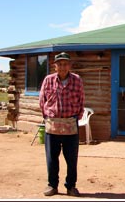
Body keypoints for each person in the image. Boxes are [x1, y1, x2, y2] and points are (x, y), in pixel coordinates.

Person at [39, 52, 84, 196]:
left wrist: (76, 117)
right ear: (55, 66)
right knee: (52, 158)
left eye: (65, 64)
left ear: (69, 65)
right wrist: (47, 117)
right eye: (60, 64)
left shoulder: (77, 80)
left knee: (71, 159)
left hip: (70, 123)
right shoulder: (48, 80)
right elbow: (42, 101)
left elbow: (81, 100)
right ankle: (52, 185)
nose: (63, 67)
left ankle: (71, 186)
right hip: (52, 124)